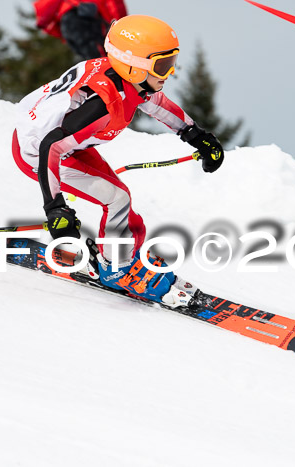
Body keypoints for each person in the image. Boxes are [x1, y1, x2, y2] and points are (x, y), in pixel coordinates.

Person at [12, 14, 224, 307]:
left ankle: (123, 254)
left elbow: (158, 105)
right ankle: (117, 270)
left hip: (69, 145)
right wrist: (55, 209)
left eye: (171, 62)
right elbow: (51, 146)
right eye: (162, 65)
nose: (169, 72)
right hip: (40, 153)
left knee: (120, 202)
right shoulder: (103, 104)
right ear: (133, 67)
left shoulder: (131, 83)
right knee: (117, 198)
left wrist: (195, 134)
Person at [34, 0, 127, 59]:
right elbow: (115, 5)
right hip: (82, 20)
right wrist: (121, 26)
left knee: (92, 61)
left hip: (66, 25)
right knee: (103, 58)